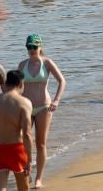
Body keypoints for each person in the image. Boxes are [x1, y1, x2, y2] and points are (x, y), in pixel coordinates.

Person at [16, 34, 65, 188]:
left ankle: (38, 178)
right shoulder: (22, 64)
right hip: (26, 107)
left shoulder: (47, 62)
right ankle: (27, 169)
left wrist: (56, 100)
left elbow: (62, 81)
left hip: (44, 106)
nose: (31, 50)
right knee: (24, 142)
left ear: (40, 47)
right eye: (28, 47)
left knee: (41, 144)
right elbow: (16, 87)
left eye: (34, 47)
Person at [0, 71, 32, 191]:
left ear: (5, 83)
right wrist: (29, 159)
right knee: (23, 188)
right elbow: (27, 134)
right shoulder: (24, 102)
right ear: (21, 84)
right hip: (17, 149)